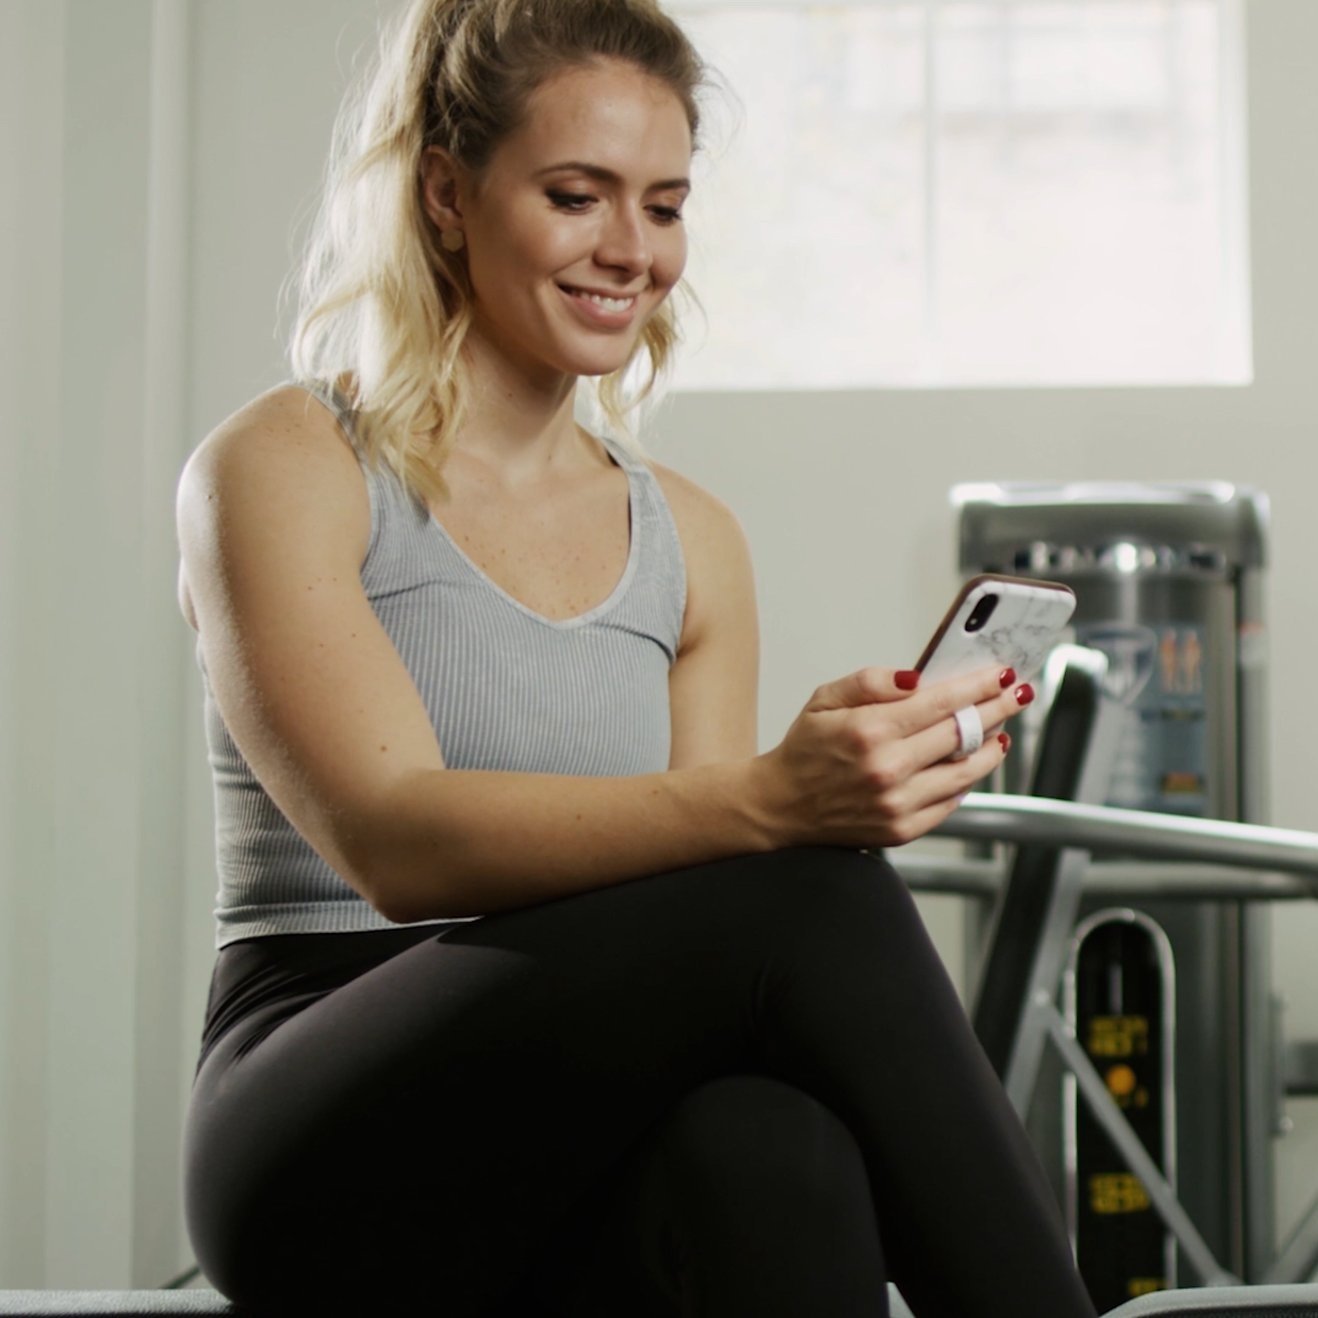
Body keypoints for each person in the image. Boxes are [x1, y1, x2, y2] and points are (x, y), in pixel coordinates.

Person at [176, 1, 1100, 1314]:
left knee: (773, 1152)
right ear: (446, 193)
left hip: (566, 1115)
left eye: (663, 205)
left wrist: (833, 790)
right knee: (810, 894)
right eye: (576, 194)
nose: (631, 249)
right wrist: (780, 808)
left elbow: (698, 914)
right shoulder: (285, 468)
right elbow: (396, 842)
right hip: (317, 1115)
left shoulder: (693, 543)